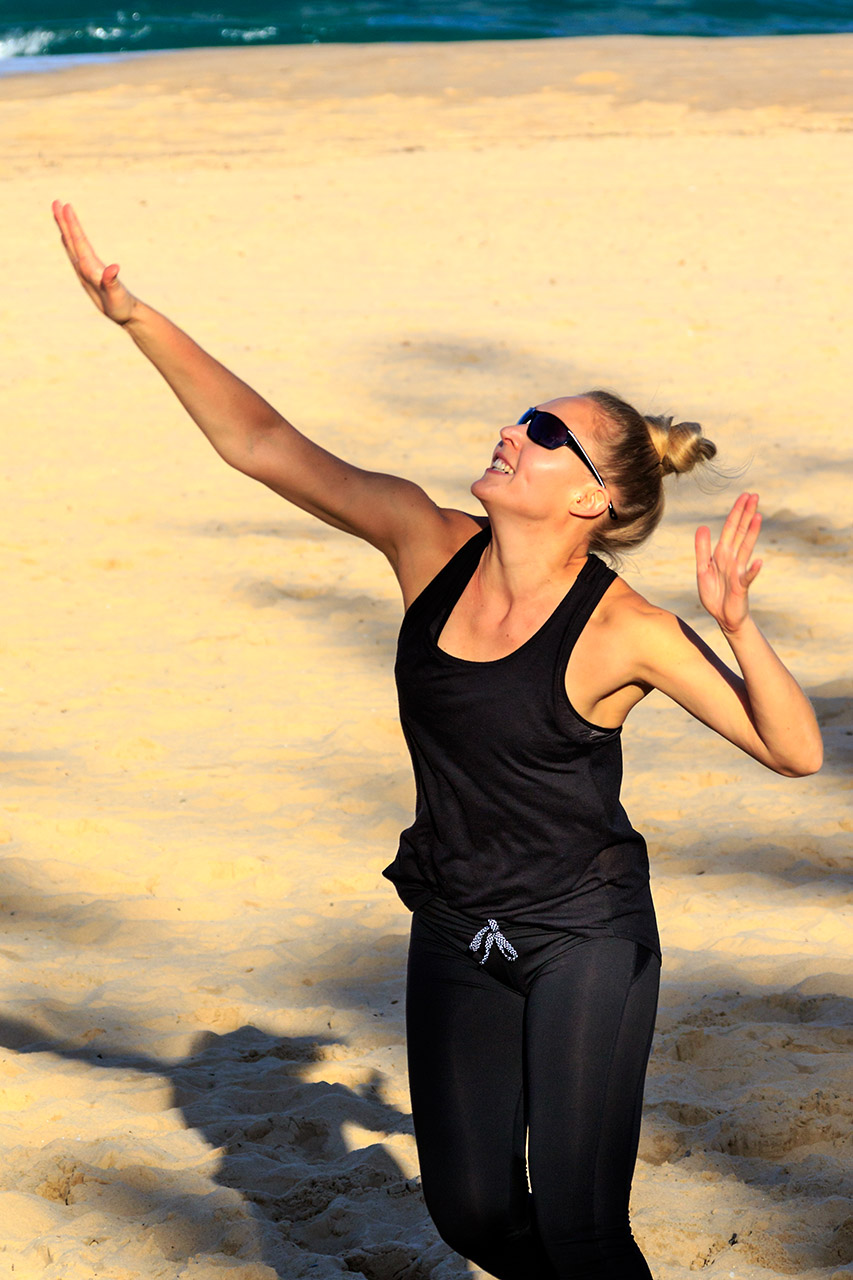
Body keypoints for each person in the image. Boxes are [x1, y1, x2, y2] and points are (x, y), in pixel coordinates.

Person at [52, 200, 822, 1280]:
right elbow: (264, 445)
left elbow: (791, 749)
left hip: (582, 935)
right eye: (523, 414)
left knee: (581, 1224)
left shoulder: (623, 629)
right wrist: (135, 316)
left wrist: (739, 626)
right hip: (456, 915)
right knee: (469, 1217)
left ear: (591, 500)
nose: (514, 430)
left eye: (545, 434)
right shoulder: (427, 544)